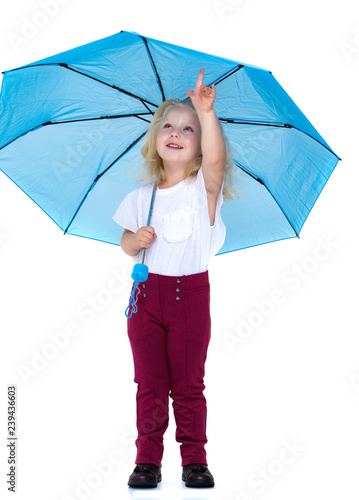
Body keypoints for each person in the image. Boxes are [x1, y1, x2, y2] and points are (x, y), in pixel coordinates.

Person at [112, 68, 237, 488]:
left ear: (200, 146)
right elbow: (126, 245)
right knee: (149, 383)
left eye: (188, 129)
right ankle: (147, 459)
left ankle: (195, 461)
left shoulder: (203, 188)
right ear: (155, 139)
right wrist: (136, 238)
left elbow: (218, 162)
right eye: (168, 125)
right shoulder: (141, 197)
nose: (177, 133)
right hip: (146, 299)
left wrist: (207, 112)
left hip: (190, 297)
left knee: (187, 385)